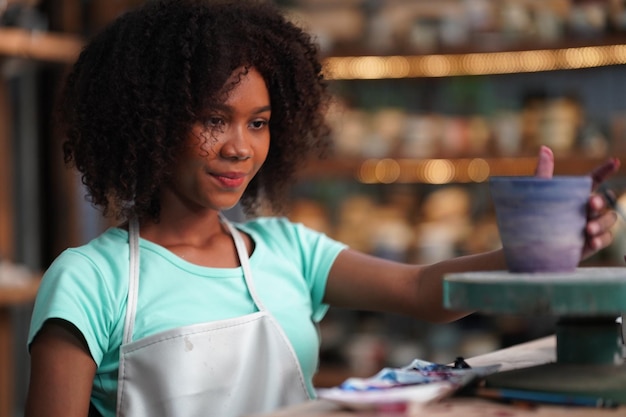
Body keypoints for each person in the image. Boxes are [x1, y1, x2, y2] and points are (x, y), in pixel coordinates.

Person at [24, 1, 621, 417]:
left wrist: (541, 242)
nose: (240, 146)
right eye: (214, 120)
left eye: (258, 123)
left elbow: (422, 293)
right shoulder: (88, 282)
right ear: (147, 125)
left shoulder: (287, 249)